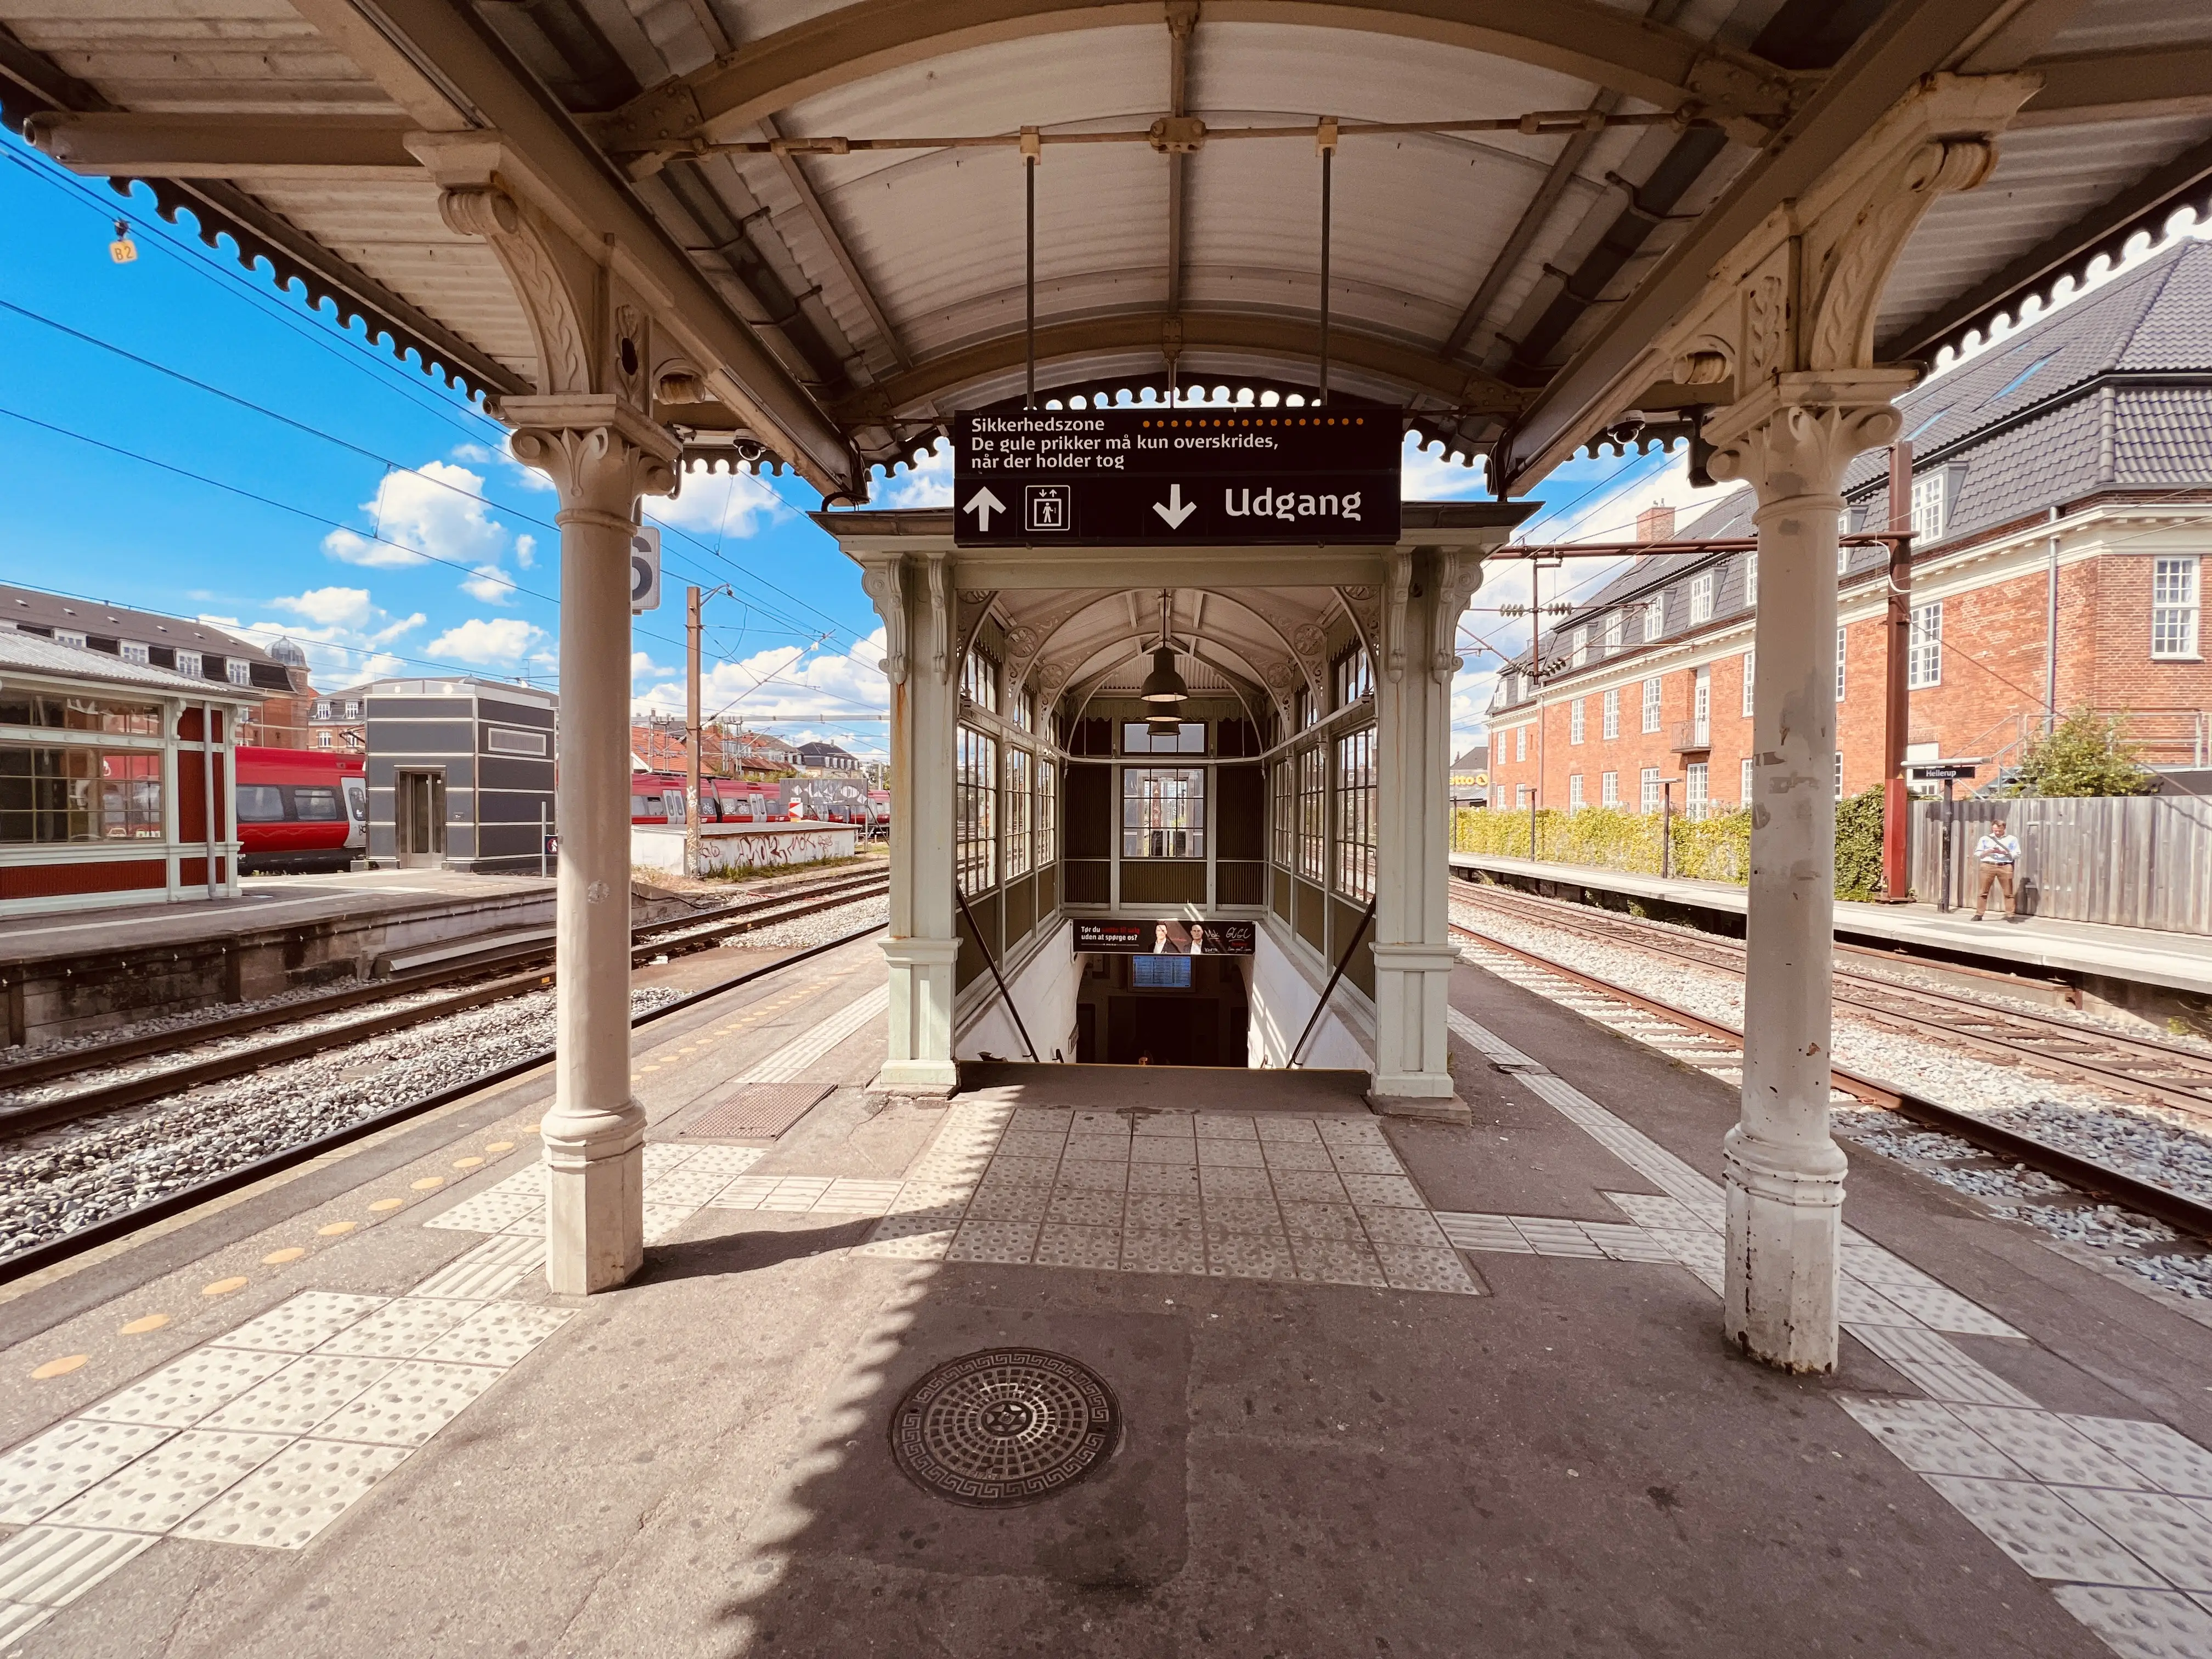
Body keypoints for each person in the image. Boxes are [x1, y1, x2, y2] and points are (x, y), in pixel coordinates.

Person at [1971, 818, 2021, 921]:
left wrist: (2006, 853)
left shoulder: (2012, 839)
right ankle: (1979, 914)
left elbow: (2018, 853)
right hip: (1988, 865)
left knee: (2008, 892)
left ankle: (2010, 915)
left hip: (2005, 865)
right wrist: (1987, 852)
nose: (1997, 832)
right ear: (1992, 829)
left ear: (2004, 829)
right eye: (1995, 830)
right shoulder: (1985, 839)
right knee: (1983, 891)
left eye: (2000, 831)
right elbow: (1977, 854)